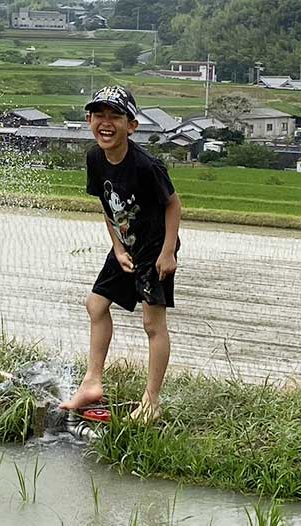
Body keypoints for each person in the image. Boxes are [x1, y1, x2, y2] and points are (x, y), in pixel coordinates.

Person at [59, 86, 182, 422]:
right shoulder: (95, 157)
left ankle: (151, 402)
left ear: (132, 125)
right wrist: (116, 245)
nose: (106, 122)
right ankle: (91, 382)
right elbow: (106, 204)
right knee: (95, 304)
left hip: (155, 249)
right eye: (100, 115)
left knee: (152, 324)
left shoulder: (145, 165)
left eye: (115, 116)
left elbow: (173, 204)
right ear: (88, 120)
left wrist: (168, 251)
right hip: (125, 244)